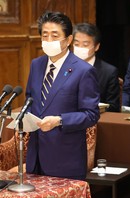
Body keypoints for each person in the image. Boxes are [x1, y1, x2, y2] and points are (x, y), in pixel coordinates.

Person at [25, 11, 100, 180]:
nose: (49, 41)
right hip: (35, 157)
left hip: (65, 159)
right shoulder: (36, 64)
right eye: (45, 36)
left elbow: (91, 114)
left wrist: (59, 120)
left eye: (55, 35)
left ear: (68, 40)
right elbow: (30, 99)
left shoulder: (83, 71)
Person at [73, 23, 120, 112]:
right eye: (76, 44)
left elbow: (114, 107)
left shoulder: (109, 72)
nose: (80, 48)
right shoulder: (65, 68)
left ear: (96, 47)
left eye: (85, 44)